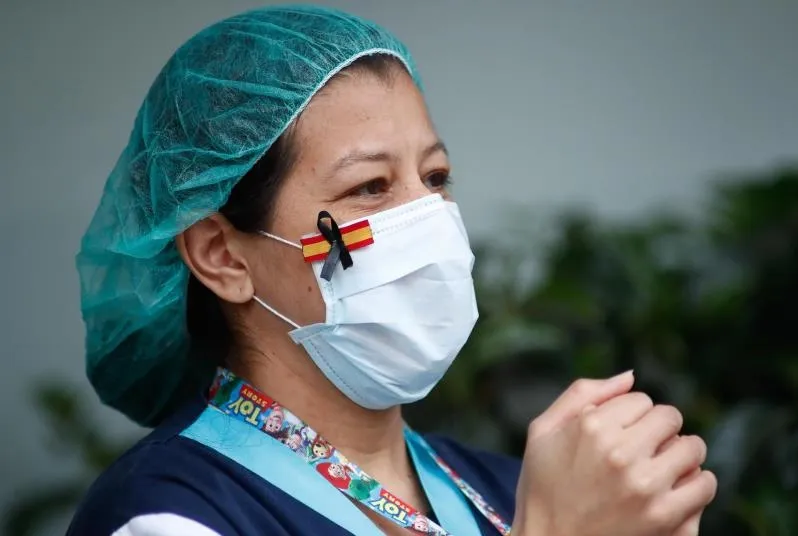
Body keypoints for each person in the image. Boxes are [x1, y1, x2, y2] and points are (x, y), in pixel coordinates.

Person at [67, 5, 717, 536]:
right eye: (371, 187)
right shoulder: (168, 513)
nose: (428, 218)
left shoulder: (508, 489)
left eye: (436, 178)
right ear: (222, 255)